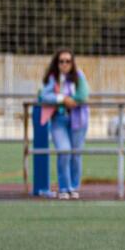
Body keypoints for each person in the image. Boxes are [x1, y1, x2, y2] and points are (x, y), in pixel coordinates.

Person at [38, 50, 90, 199]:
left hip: (78, 120)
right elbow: (44, 95)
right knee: (64, 151)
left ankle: (73, 187)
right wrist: (61, 98)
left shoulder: (79, 76)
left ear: (72, 62)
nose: (65, 64)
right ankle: (63, 187)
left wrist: (73, 99)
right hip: (59, 120)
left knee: (75, 154)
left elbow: (83, 94)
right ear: (57, 63)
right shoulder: (53, 78)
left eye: (68, 61)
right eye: (61, 61)